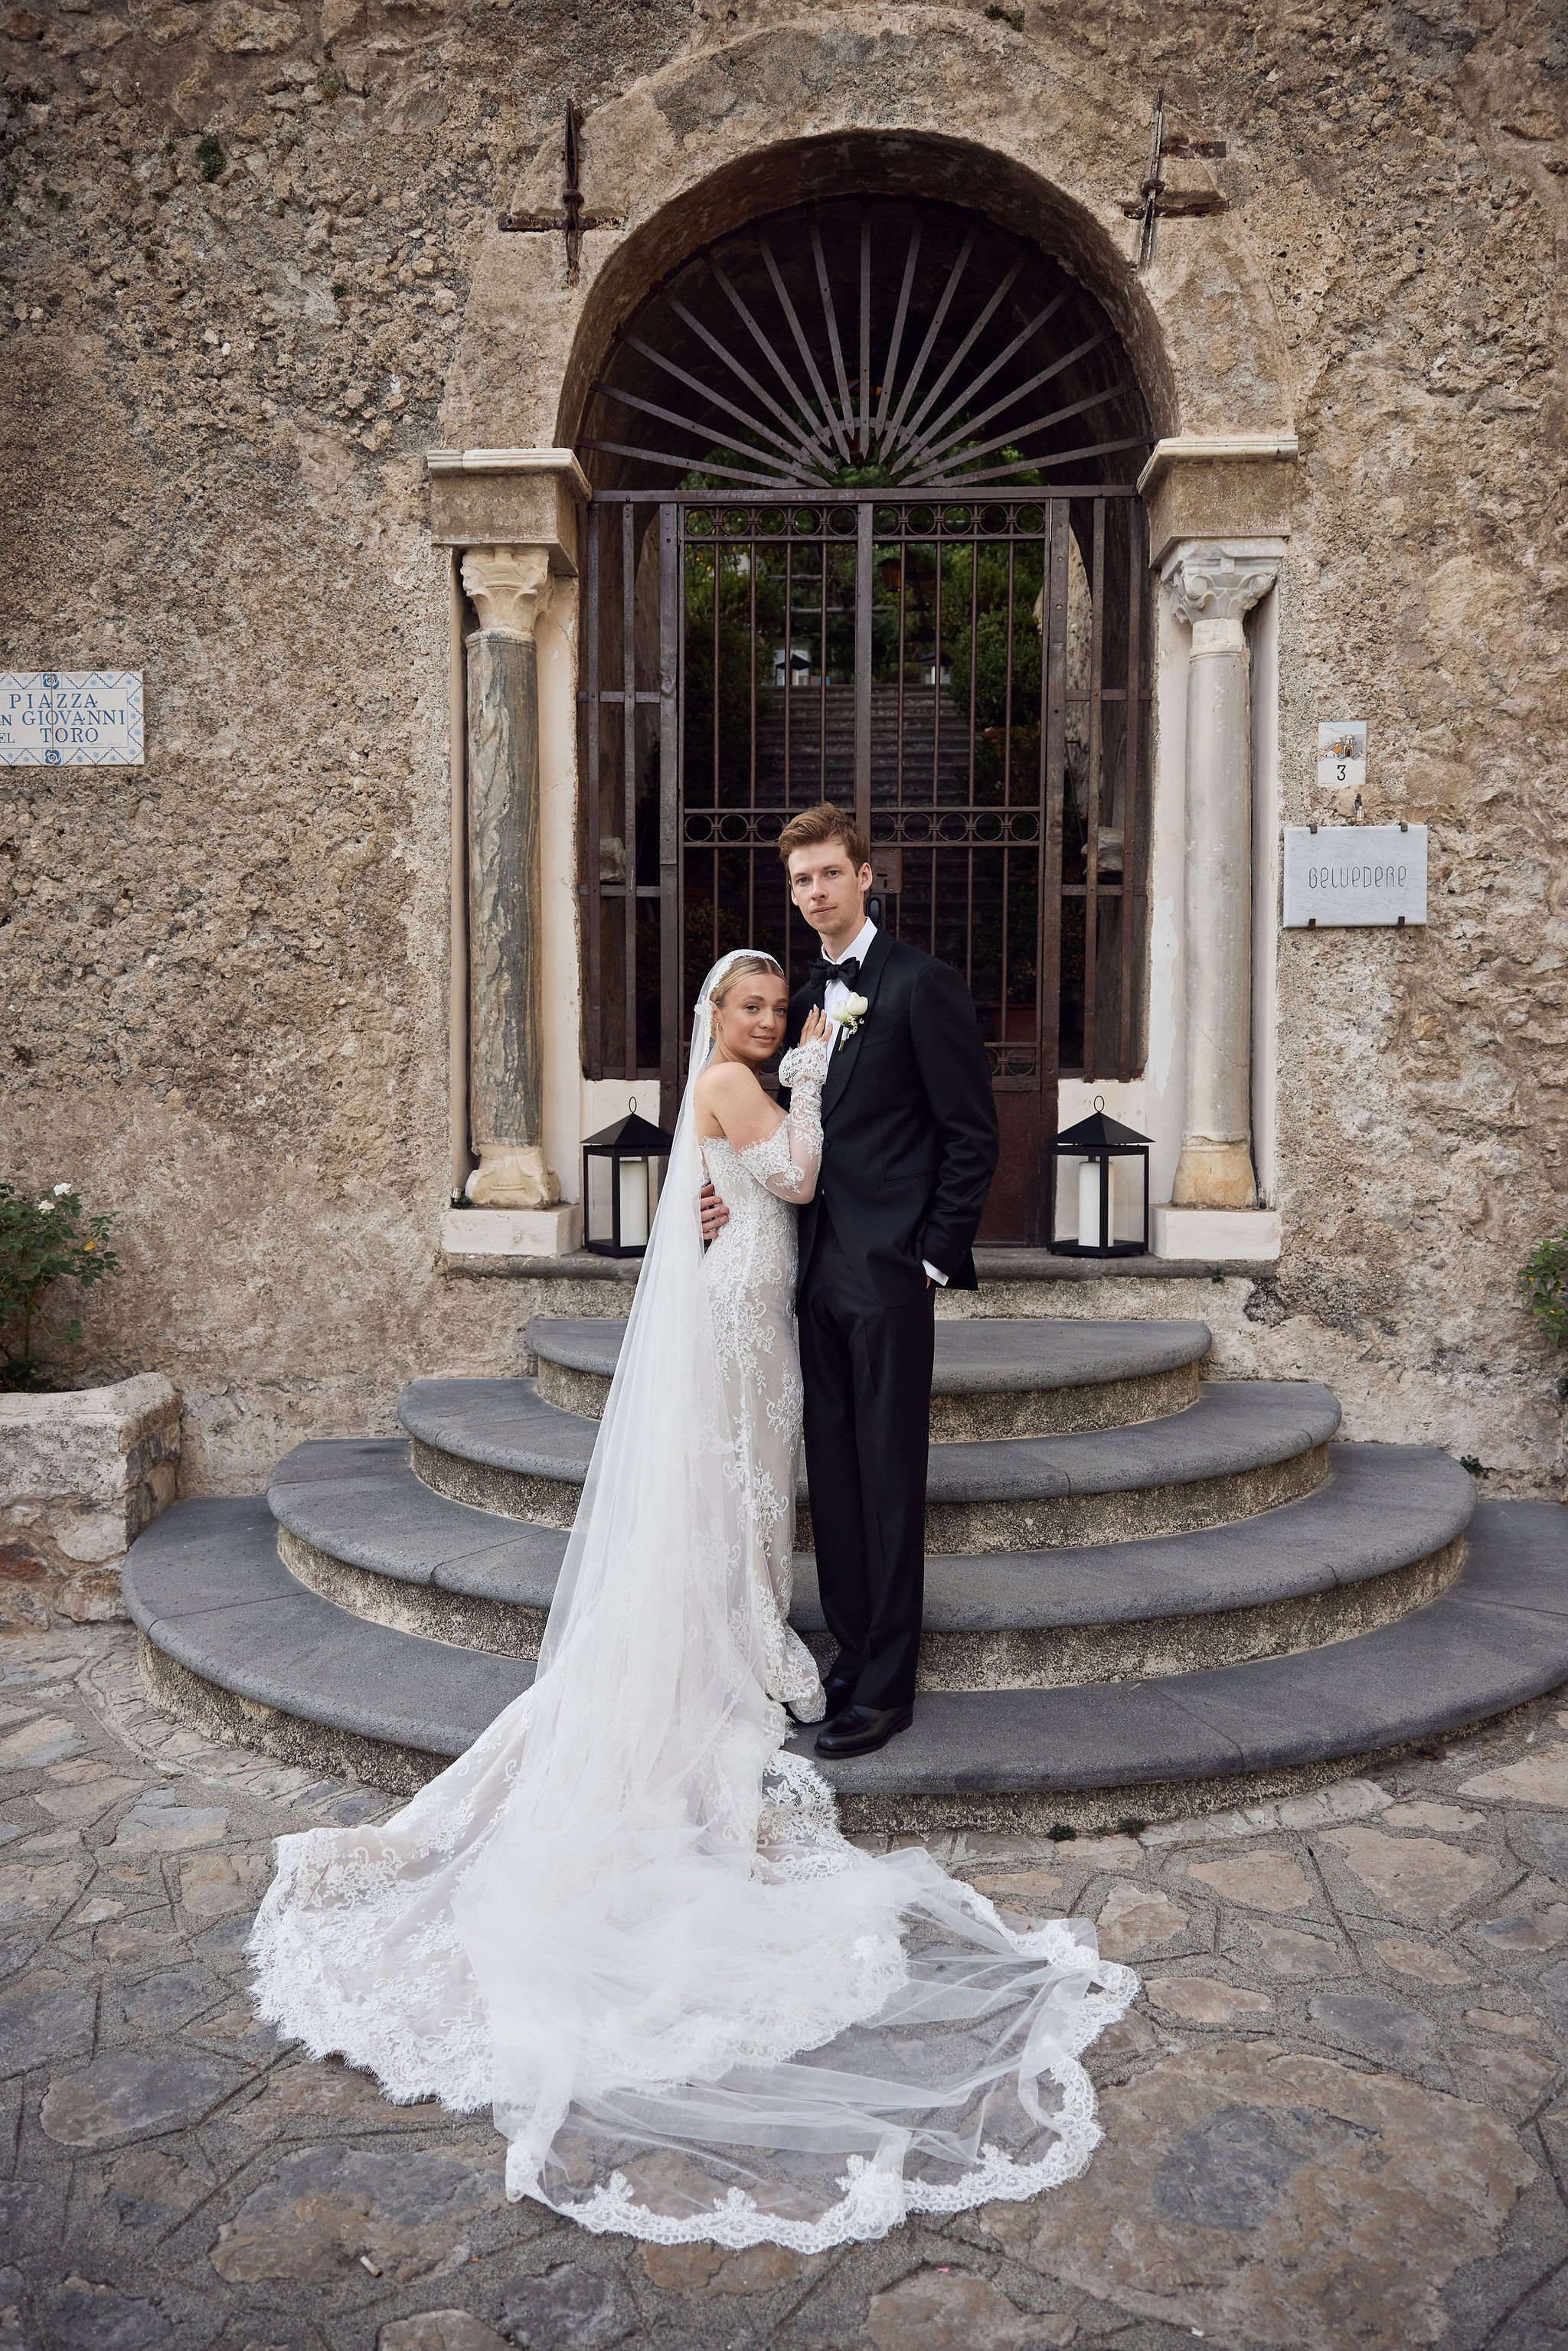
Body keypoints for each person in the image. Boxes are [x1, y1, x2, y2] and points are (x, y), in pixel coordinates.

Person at [248, 949, 1134, 2250]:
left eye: (782, 1009)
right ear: (716, 1017)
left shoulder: (730, 1079)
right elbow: (798, 1173)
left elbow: (754, 1180)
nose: (772, 1021)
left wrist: (772, 1156)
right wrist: (815, 1082)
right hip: (741, 1312)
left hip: (767, 1297)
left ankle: (743, 1620)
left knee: (748, 1493)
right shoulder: (740, 1081)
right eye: (754, 1007)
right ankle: (731, 1635)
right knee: (735, 1490)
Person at [701, 804, 998, 1759]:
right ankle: (849, 1650)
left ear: (866, 876)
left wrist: (928, 1255)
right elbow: (780, 1131)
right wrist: (712, 1203)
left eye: (829, 873)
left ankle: (887, 1686)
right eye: (799, 880)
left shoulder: (920, 984)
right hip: (803, 1274)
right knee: (829, 1481)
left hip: (884, 1276)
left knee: (885, 1477)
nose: (814, 892)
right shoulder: (802, 998)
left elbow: (969, 1133)